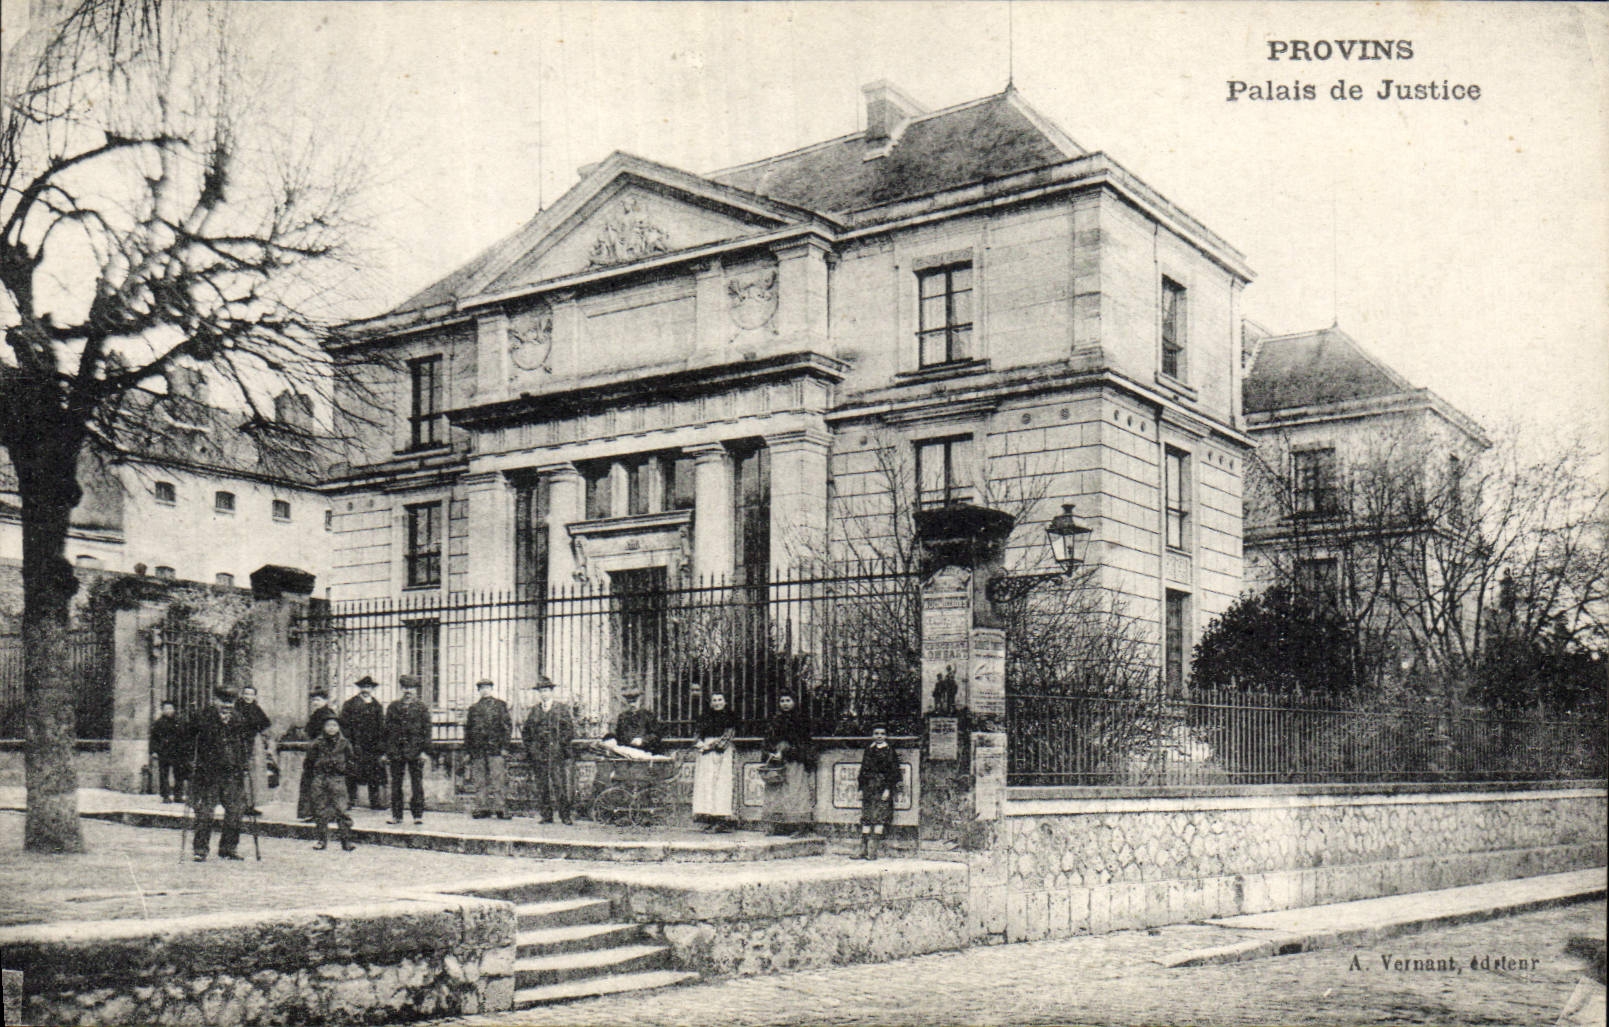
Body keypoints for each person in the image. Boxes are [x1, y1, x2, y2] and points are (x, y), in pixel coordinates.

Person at [185, 684, 254, 861]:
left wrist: (244, 763)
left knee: (235, 811)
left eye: (230, 702)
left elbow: (245, 744)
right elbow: (187, 743)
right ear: (215, 700)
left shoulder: (239, 719)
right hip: (209, 774)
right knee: (206, 812)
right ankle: (200, 849)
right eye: (223, 701)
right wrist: (190, 765)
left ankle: (228, 848)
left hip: (232, 773)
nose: (227, 706)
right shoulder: (202, 718)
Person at [521, 675, 575, 825]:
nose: (544, 694)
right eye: (541, 691)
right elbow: (526, 732)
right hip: (539, 754)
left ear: (551, 692)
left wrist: (560, 745)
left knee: (559, 785)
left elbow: (569, 730)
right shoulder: (535, 710)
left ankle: (565, 815)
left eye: (546, 690)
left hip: (556, 754)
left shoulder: (561, 709)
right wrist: (532, 749)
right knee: (542, 785)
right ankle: (546, 816)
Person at [760, 691, 815, 837]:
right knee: (775, 791)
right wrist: (770, 751)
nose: (785, 703)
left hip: (794, 759)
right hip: (777, 761)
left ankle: (800, 826)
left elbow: (804, 742)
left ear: (794, 702)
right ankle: (778, 825)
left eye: (788, 700)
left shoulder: (801, 720)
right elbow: (768, 739)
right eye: (782, 700)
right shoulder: (775, 719)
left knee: (795, 791)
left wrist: (786, 752)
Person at [384, 674, 432, 825]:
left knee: (416, 784)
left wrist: (425, 751)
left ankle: (418, 815)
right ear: (401, 689)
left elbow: (427, 731)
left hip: (416, 751)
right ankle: (396, 815)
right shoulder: (393, 707)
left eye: (411, 688)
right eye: (405, 688)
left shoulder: (422, 708)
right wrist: (386, 751)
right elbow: (386, 731)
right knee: (396, 784)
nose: (408, 691)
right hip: (396, 751)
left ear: (416, 690)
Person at [306, 716, 357, 852]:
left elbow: (351, 761)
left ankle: (346, 841)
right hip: (320, 779)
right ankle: (321, 840)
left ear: (339, 727)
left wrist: (344, 771)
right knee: (320, 810)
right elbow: (309, 763)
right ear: (324, 727)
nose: (331, 728)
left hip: (337, 779)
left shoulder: (344, 743)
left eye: (334, 725)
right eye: (328, 725)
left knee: (341, 810)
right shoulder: (316, 743)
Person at [464, 678, 512, 819]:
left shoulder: (500, 705)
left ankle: (500, 808)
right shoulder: (473, 709)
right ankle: (482, 807)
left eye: (487, 687)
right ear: (479, 691)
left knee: (498, 779)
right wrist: (468, 751)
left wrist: (504, 747)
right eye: (482, 688)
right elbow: (468, 731)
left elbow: (507, 727)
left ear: (491, 689)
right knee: (480, 781)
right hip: (478, 750)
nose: (485, 690)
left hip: (495, 749)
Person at [691, 691, 738, 832]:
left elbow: (728, 736)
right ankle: (710, 818)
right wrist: (699, 743)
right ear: (710, 703)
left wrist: (710, 746)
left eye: (720, 700)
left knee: (721, 785)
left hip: (722, 752)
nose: (717, 703)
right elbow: (697, 733)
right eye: (714, 700)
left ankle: (722, 820)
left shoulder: (730, 717)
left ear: (725, 702)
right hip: (705, 754)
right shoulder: (704, 717)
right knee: (707, 785)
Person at [853, 724, 900, 860]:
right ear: (872, 735)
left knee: (879, 817)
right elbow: (863, 770)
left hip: (882, 786)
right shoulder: (869, 749)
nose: (879, 736)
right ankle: (863, 848)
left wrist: (888, 789)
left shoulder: (889, 751)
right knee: (866, 816)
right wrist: (861, 788)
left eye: (882, 733)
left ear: (885, 736)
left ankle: (872, 851)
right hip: (869, 786)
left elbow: (893, 772)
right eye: (876, 733)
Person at [340, 677, 387, 810]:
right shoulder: (350, 704)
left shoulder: (377, 705)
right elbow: (344, 725)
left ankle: (375, 801)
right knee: (352, 773)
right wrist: (350, 743)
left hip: (372, 747)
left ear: (372, 689)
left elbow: (381, 727)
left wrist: (381, 746)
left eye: (369, 687)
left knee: (374, 774)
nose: (366, 689)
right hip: (356, 744)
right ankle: (350, 800)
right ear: (360, 688)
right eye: (363, 687)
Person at [296, 688, 339, 821]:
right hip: (314, 753)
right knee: (313, 783)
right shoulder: (316, 714)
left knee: (321, 784)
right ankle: (314, 813)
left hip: (323, 754)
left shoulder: (327, 715)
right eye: (313, 700)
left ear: (325, 701)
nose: (315, 702)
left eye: (318, 700)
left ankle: (323, 814)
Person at [236, 685, 272, 816]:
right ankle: (241, 804)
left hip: (255, 744)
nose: (248, 696)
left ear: (255, 696)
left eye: (251, 694)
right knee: (242, 774)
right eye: (246, 693)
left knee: (254, 775)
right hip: (240, 743)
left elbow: (265, 724)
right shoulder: (237, 708)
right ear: (242, 694)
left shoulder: (256, 709)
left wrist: (264, 738)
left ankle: (251, 804)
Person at [150, 699, 187, 803]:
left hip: (177, 751)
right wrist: (154, 751)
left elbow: (184, 736)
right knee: (164, 774)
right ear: (162, 710)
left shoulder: (179, 722)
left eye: (170, 708)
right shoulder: (158, 723)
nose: (168, 711)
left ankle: (178, 795)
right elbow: (153, 738)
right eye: (166, 708)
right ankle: (165, 796)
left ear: (174, 709)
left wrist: (185, 749)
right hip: (164, 751)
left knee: (179, 774)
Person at [607, 688, 662, 754]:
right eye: (629, 702)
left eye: (634, 701)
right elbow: (618, 735)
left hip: (644, 753)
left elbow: (656, 736)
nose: (632, 704)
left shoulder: (648, 715)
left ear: (640, 700)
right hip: (626, 753)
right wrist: (612, 740)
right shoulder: (622, 717)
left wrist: (643, 740)